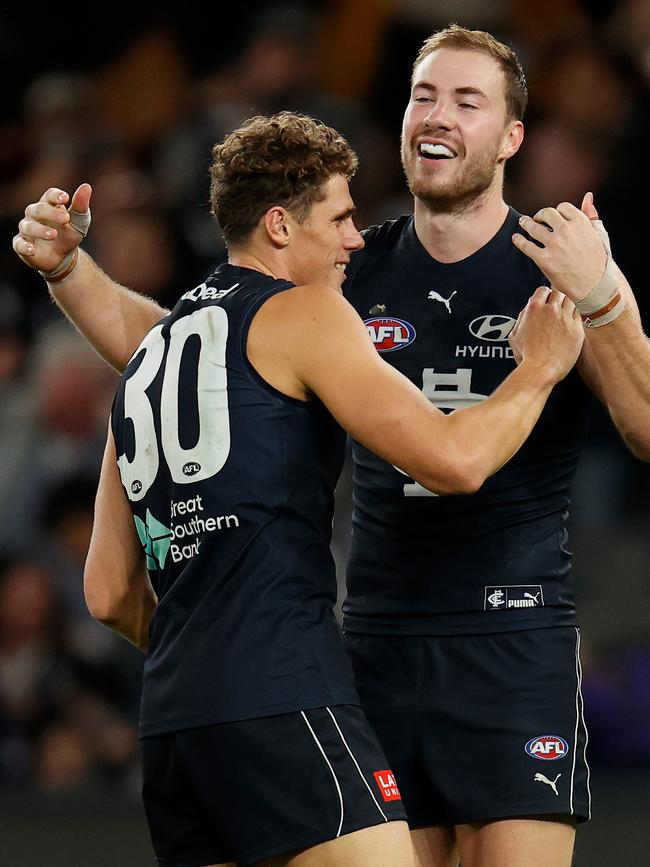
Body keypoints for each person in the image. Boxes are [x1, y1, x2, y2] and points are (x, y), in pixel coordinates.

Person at [13, 111, 583, 867]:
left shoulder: (150, 361)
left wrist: (67, 270)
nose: (356, 237)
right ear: (280, 226)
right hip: (283, 695)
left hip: (177, 730)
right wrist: (539, 367)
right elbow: (454, 461)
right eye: (342, 217)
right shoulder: (307, 312)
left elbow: (109, 591)